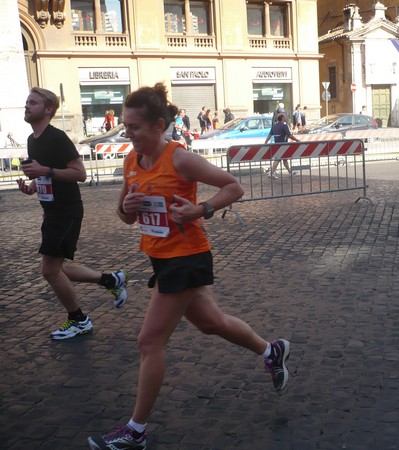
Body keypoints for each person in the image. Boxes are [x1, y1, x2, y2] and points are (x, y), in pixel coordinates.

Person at [87, 83, 290, 450]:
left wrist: (201, 209)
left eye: (133, 127)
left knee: (149, 342)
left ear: (158, 126)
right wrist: (127, 209)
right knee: (212, 323)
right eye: (126, 126)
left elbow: (233, 187)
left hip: (186, 257)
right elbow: (124, 217)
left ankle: (136, 431)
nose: (127, 132)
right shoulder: (131, 160)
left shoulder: (179, 158)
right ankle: (270, 351)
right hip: (160, 257)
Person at [16, 87, 128, 340]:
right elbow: (46, 174)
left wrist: (45, 170)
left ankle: (79, 320)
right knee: (59, 268)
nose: (27, 106)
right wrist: (32, 186)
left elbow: (80, 173)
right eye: (26, 102)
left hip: (66, 211)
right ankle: (111, 280)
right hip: (51, 210)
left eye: (32, 103)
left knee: (49, 270)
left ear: (48, 110)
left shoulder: (57, 137)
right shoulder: (33, 139)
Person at [264, 113, 300, 179]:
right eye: (285, 117)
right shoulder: (284, 126)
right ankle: (271, 173)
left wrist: (265, 142)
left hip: (277, 144)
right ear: (282, 118)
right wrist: (297, 140)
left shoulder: (274, 126)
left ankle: (290, 172)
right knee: (277, 159)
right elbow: (289, 135)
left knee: (284, 159)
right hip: (283, 145)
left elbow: (269, 135)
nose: (286, 117)